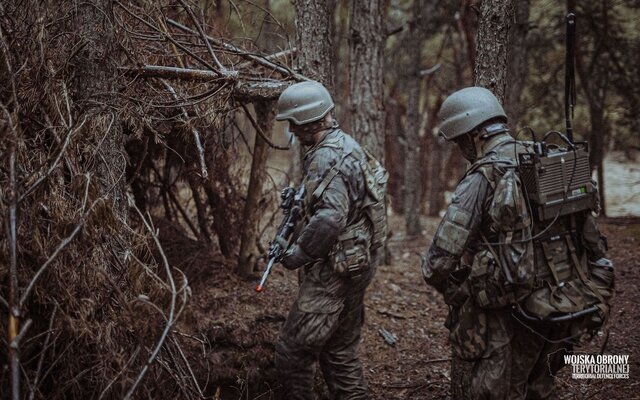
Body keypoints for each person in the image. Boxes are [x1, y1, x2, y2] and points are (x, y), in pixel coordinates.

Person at [421, 86, 612, 399]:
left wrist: (459, 290)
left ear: (473, 135)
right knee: (541, 386)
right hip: (569, 300)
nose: (460, 149)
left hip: (514, 310)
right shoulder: (546, 157)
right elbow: (590, 237)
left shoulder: (483, 176)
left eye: (459, 141)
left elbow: (437, 262)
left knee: (502, 391)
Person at [273, 80, 387, 400]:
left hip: (336, 270)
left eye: (294, 123)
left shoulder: (326, 157)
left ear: (310, 120)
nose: (292, 131)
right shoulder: (347, 144)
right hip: (358, 261)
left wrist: (298, 254)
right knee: (340, 351)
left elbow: (330, 218)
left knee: (292, 353)